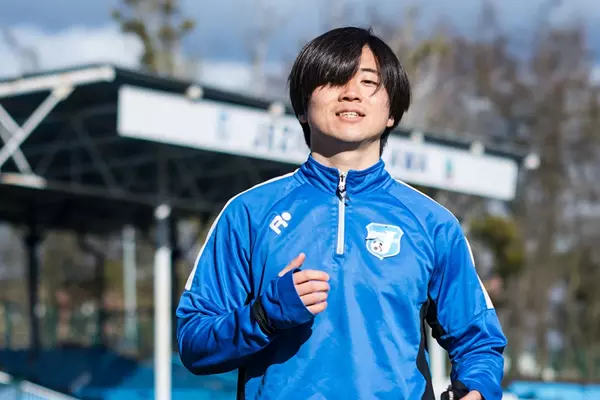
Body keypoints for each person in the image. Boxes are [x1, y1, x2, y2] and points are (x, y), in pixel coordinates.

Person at [176, 26, 507, 400]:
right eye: (334, 79)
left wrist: (476, 389)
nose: (351, 92)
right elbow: (193, 341)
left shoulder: (433, 224)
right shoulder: (248, 214)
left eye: (369, 82)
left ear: (392, 112)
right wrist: (264, 316)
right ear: (302, 108)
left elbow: (479, 342)